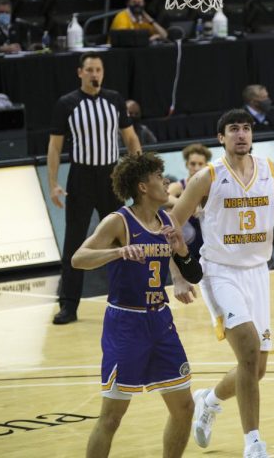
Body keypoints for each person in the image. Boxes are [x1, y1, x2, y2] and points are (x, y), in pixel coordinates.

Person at [171, 109, 274, 458]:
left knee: (256, 369)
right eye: (234, 129)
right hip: (220, 272)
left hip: (259, 272)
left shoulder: (270, 170)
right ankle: (253, 443)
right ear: (221, 138)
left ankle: (209, 401)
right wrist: (179, 276)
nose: (241, 134)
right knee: (248, 349)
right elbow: (171, 227)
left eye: (246, 128)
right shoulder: (207, 177)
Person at [72, 152, 203, 458]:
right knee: (113, 417)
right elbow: (78, 258)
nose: (166, 181)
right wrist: (117, 253)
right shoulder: (118, 222)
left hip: (161, 321)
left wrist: (181, 252)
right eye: (160, 177)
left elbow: (193, 273)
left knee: (184, 407)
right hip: (126, 325)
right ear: (143, 186)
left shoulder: (167, 220)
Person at [48, 53, 142, 325]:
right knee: (74, 242)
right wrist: (53, 184)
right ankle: (68, 306)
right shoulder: (67, 103)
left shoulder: (114, 100)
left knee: (122, 238)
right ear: (80, 73)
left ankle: (130, 298)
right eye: (89, 69)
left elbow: (131, 137)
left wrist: (139, 172)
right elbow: (54, 146)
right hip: (81, 176)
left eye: (98, 69)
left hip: (111, 176)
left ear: (103, 72)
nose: (94, 74)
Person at [167, 143, 213, 257]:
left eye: (200, 164)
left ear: (207, 165)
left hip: (209, 239)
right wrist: (188, 204)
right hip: (187, 242)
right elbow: (164, 197)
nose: (196, 168)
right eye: (193, 164)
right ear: (187, 164)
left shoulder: (213, 187)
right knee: (169, 211)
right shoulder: (179, 185)